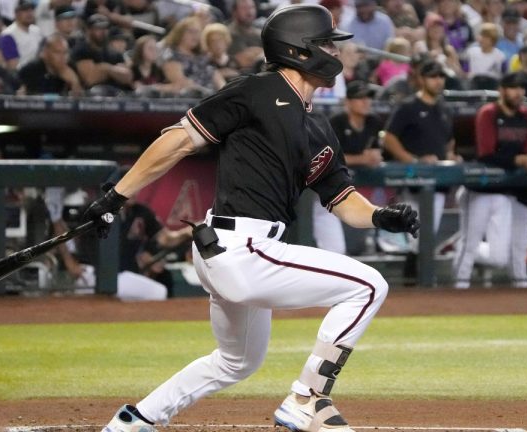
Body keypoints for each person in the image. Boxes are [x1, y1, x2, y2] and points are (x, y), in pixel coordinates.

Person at [80, 5, 419, 432]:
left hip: (236, 250)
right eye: (329, 44)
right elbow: (177, 142)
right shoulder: (257, 90)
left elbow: (343, 200)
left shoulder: (320, 129)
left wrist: (381, 216)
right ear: (302, 49)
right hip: (244, 248)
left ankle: (137, 420)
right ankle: (307, 399)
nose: (337, 53)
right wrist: (116, 196)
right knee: (370, 285)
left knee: (237, 361)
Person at [452, 72, 527, 289]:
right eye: (513, 87)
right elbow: (486, 152)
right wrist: (520, 159)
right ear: (502, 90)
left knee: (499, 257)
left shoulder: (526, 116)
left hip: (505, 191)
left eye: (521, 88)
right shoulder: (489, 113)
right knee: (470, 243)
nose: (518, 92)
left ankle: (462, 250)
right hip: (480, 189)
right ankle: (458, 289)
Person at [383, 59, 457, 280]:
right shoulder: (408, 107)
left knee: (425, 232)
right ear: (422, 79)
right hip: (414, 181)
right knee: (421, 232)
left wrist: (451, 155)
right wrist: (412, 160)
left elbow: (449, 140)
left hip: (439, 181)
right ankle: (417, 275)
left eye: (440, 77)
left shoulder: (444, 109)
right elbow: (388, 138)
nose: (438, 81)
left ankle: (414, 274)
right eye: (433, 77)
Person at [312, 80, 385, 255]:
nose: (366, 101)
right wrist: (362, 158)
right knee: (335, 250)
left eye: (368, 97)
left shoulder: (374, 121)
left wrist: (375, 156)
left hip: (354, 189)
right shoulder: (335, 122)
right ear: (348, 102)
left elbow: (376, 151)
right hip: (325, 191)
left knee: (346, 248)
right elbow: (325, 158)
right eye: (360, 98)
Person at [18, 32, 83, 95]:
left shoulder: (71, 68)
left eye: (65, 53)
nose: (63, 57)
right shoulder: (30, 71)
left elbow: (82, 102)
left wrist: (74, 83)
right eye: (57, 52)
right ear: (45, 53)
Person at [0, 0, 43, 71]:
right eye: (25, 10)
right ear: (16, 13)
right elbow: (12, 67)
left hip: (37, 73)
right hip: (21, 75)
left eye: (31, 10)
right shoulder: (8, 35)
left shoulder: (37, 30)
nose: (29, 13)